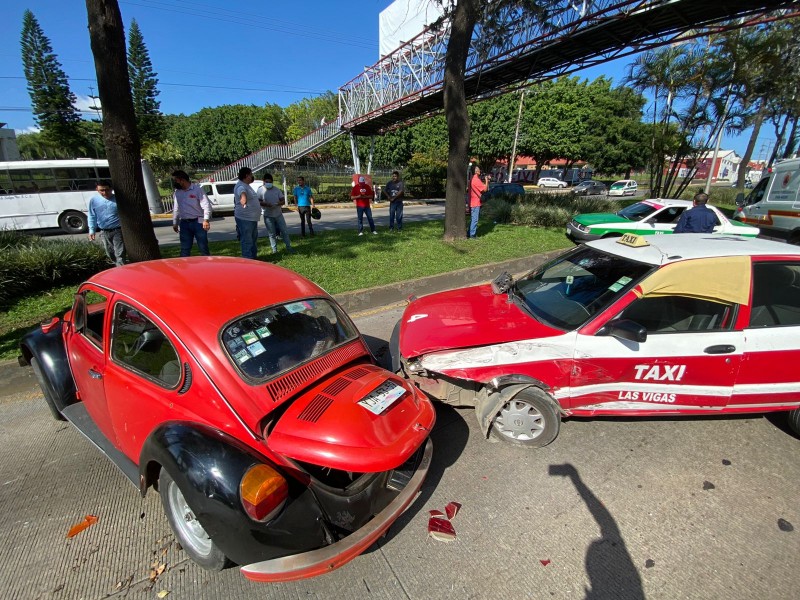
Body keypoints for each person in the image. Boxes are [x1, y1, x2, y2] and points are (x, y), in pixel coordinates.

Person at [171, 170, 212, 257]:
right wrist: (175, 222)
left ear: (182, 180)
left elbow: (206, 205)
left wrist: (206, 220)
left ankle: (208, 266)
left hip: (198, 222)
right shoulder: (177, 192)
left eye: (176, 180)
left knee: (203, 246)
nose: (175, 182)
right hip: (184, 223)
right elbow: (176, 208)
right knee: (185, 248)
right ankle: (184, 267)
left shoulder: (197, 190)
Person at [87, 180, 126, 266]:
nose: (105, 192)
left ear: (111, 189)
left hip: (117, 231)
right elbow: (92, 215)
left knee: (119, 254)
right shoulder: (94, 200)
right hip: (104, 232)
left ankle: (122, 272)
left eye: (107, 190)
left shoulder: (117, 199)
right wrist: (92, 230)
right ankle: (118, 268)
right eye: (102, 190)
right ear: (97, 190)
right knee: (110, 253)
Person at [258, 173, 294, 255]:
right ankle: (274, 250)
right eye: (267, 182)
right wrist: (266, 204)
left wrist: (279, 203)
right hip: (267, 215)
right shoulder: (260, 190)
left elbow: (283, 200)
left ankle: (289, 247)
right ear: (263, 181)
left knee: (284, 231)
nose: (268, 183)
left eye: (270, 182)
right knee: (272, 234)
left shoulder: (276, 190)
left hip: (278, 214)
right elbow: (258, 201)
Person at [234, 167, 261, 259]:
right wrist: (243, 198)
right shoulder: (241, 186)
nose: (252, 176)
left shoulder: (247, 185)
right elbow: (242, 193)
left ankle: (253, 260)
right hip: (245, 219)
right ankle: (248, 261)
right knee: (247, 241)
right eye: (251, 174)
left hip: (252, 219)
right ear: (246, 176)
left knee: (253, 240)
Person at [468, 166, 487, 239]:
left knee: (473, 219)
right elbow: (485, 189)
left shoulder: (471, 179)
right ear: (476, 171)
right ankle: (472, 235)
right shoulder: (476, 180)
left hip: (472, 201)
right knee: (475, 219)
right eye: (479, 169)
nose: (480, 171)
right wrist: (486, 180)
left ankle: (469, 232)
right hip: (476, 202)